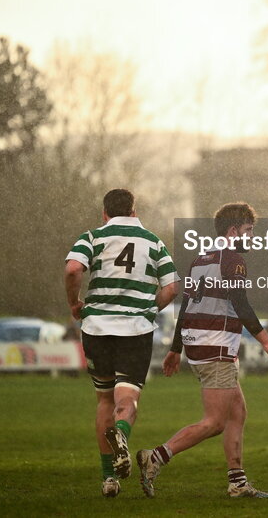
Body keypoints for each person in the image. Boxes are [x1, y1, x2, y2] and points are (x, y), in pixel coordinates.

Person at [136, 202, 268, 499]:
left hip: (199, 343)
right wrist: (267, 341)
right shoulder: (233, 260)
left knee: (237, 412)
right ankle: (155, 457)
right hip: (215, 345)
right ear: (233, 231)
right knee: (215, 421)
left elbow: (188, 305)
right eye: (248, 230)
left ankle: (237, 482)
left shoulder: (200, 259)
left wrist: (175, 349)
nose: (252, 237)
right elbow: (241, 304)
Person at [65, 188, 180, 498]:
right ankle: (123, 435)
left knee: (104, 400)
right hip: (135, 330)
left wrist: (74, 302)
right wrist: (148, 308)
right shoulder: (153, 241)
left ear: (105, 213)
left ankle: (108, 478)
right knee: (126, 399)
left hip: (97, 327)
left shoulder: (92, 236)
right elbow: (172, 287)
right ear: (133, 211)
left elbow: (74, 268)